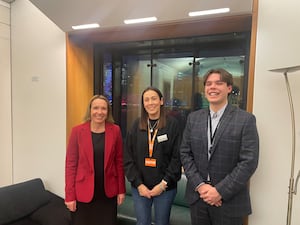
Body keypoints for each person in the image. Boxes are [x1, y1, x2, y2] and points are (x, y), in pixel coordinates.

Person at [180, 68, 259, 225]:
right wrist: (201, 186)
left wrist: (219, 191)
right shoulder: (193, 118)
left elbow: (248, 162)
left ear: (229, 88)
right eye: (208, 84)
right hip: (198, 198)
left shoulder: (245, 120)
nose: (212, 87)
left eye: (218, 83)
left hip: (229, 202)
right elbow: (185, 153)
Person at [124, 86, 182, 225]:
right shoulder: (136, 125)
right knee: (142, 223)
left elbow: (177, 157)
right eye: (146, 100)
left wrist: (162, 185)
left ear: (161, 101)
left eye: (154, 98)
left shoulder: (172, 124)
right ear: (143, 104)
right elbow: (128, 157)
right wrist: (138, 184)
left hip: (165, 188)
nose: (150, 103)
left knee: (162, 223)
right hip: (140, 188)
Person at [65, 95, 126, 225]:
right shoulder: (77, 131)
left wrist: (121, 190)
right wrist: (69, 196)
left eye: (103, 108)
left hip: (107, 193)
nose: (99, 112)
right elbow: (70, 165)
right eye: (96, 108)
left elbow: (119, 162)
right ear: (90, 110)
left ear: (107, 111)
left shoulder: (115, 130)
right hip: (83, 193)